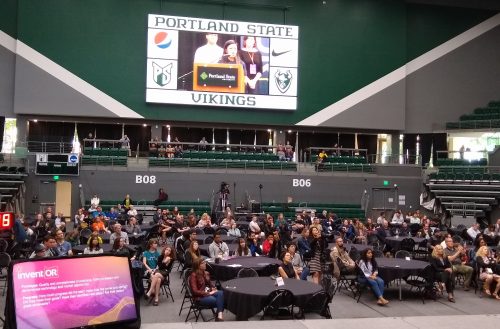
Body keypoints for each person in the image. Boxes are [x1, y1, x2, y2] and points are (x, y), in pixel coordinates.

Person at [143, 239, 162, 306]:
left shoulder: (157, 253)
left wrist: (155, 269)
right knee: (158, 279)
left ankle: (150, 292)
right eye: (155, 243)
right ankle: (156, 298)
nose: (156, 245)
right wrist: (150, 269)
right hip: (148, 270)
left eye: (156, 243)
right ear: (151, 245)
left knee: (158, 278)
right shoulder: (145, 252)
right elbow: (144, 263)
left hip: (156, 270)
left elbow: (158, 264)